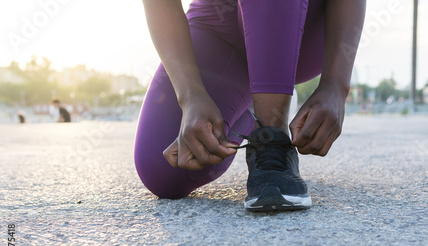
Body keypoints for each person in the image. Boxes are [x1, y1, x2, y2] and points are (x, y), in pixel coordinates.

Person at [135, 0, 366, 211]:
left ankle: (272, 137)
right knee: (164, 170)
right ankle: (248, 118)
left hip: (300, 24)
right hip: (218, 25)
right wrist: (191, 95)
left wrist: (336, 85)